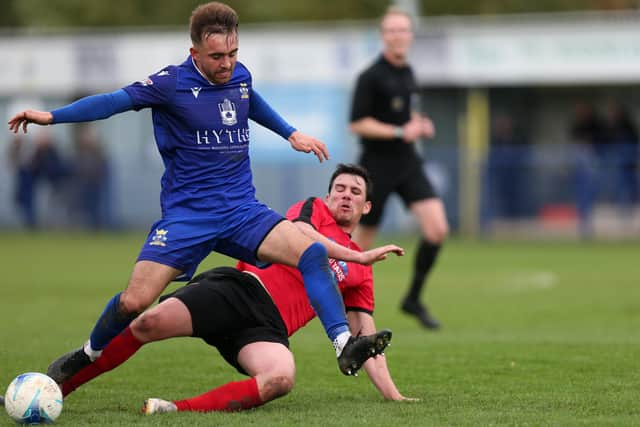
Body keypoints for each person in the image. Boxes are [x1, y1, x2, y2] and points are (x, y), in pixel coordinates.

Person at [8, 2, 394, 383]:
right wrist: (53, 117)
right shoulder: (170, 83)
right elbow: (114, 102)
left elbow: (249, 100)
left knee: (311, 254)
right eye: (216, 56)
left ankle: (344, 344)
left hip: (242, 210)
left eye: (232, 53)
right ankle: (88, 352)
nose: (226, 63)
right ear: (194, 52)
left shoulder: (239, 76)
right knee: (134, 302)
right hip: (188, 218)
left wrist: (290, 133)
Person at [57, 164, 411, 413]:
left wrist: (394, 397)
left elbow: (365, 338)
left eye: (355, 192)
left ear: (366, 206)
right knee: (145, 324)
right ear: (327, 195)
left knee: (280, 378)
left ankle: (173, 410)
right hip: (239, 290)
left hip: (267, 329)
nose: (345, 196)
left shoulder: (361, 273)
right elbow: (303, 237)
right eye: (339, 189)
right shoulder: (312, 210)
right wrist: (358, 255)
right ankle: (56, 387)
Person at [349, 7, 448, 330]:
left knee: (437, 229)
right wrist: (398, 131)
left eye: (403, 30)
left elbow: (407, 116)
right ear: (383, 36)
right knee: (360, 246)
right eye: (391, 31)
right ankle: (339, 301)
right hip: (377, 166)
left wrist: (420, 124)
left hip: (407, 162)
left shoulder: (408, 73)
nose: (398, 36)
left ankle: (413, 298)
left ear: (410, 35)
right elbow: (357, 123)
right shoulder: (370, 76)